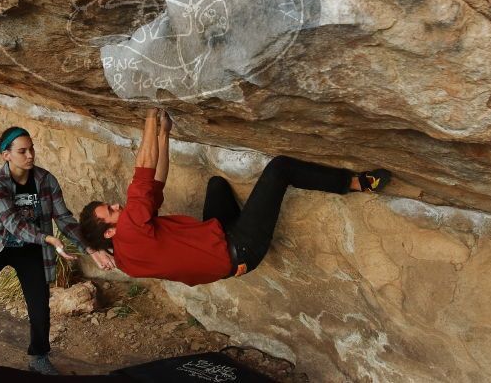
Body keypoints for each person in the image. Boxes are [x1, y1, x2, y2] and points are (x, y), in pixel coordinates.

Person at [79, 108, 391, 286]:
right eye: (110, 209)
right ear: (109, 231)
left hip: (221, 242)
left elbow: (156, 184)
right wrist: (149, 116)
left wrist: (164, 134)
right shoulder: (131, 231)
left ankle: (228, 231)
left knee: (216, 185)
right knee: (280, 168)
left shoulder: (128, 256)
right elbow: (144, 171)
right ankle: (356, 183)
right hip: (241, 250)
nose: (117, 204)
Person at [0, 126, 115, 376]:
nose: (30, 155)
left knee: (39, 305)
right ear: (5, 155)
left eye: (31, 149)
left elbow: (64, 217)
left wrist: (91, 246)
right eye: (22, 151)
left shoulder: (45, 180)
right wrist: (48, 238)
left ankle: (39, 357)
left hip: (32, 250)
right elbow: (12, 223)